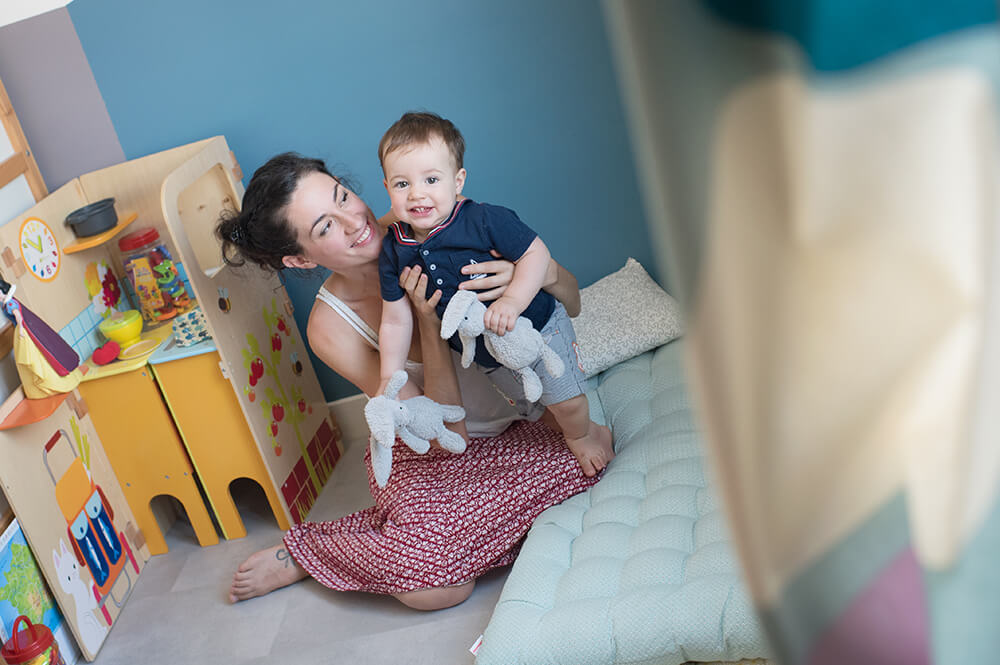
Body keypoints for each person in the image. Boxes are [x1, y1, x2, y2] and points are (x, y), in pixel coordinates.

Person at [219, 152, 602, 610]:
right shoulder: (331, 328)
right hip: (430, 448)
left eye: (344, 197)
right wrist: (426, 320)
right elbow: (448, 437)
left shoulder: (426, 219)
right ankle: (310, 552)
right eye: (325, 228)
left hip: (521, 425)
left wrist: (529, 278)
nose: (354, 222)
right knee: (437, 590)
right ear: (300, 260)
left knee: (591, 455)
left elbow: (572, 304)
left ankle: (403, 533)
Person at [376, 111, 613, 477]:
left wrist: (512, 301)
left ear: (458, 181)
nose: (417, 193)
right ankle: (566, 424)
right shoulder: (394, 249)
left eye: (432, 179)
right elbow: (394, 319)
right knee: (534, 406)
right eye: (402, 184)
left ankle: (584, 434)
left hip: (538, 328)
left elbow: (537, 253)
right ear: (387, 187)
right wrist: (388, 375)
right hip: (486, 352)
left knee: (566, 402)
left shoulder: (484, 219)